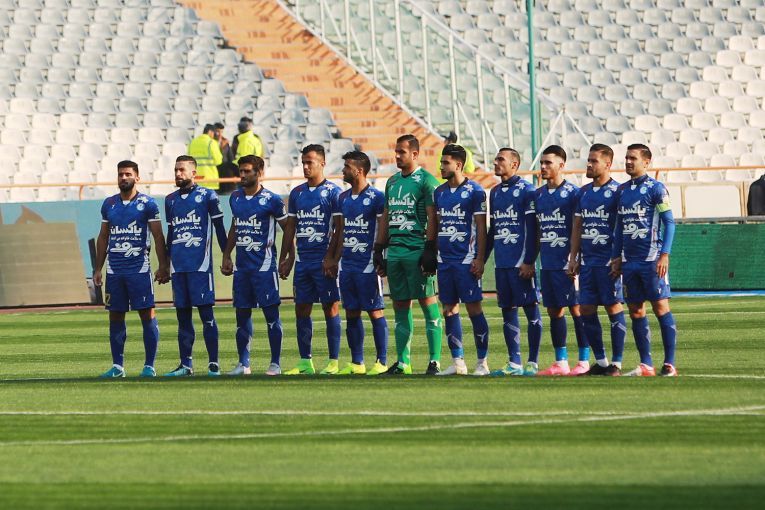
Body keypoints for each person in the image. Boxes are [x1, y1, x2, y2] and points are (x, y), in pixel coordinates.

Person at [374, 134, 443, 375]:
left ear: (415, 154)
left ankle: (435, 361)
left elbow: (432, 216)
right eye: (396, 151)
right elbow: (386, 215)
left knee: (428, 302)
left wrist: (430, 248)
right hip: (395, 252)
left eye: (401, 152)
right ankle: (403, 362)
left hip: (417, 250)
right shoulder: (392, 182)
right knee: (400, 306)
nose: (397, 156)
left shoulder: (427, 181)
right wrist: (378, 248)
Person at [93, 160, 169, 378]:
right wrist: (98, 268)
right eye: (120, 174)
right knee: (115, 317)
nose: (123, 178)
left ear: (137, 177)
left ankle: (149, 366)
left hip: (139, 270)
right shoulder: (109, 204)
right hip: (114, 271)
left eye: (127, 174)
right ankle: (118, 367)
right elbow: (103, 237)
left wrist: (163, 265)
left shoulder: (148, 204)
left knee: (147, 314)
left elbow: (158, 236)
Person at [610, 144, 678, 377]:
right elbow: (619, 228)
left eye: (633, 158)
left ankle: (669, 364)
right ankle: (646, 364)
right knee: (636, 310)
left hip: (652, 259)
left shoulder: (656, 189)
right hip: (629, 261)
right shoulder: (621, 191)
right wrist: (616, 257)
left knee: (661, 307)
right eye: (626, 158)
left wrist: (664, 254)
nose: (628, 162)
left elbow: (669, 222)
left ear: (646, 162)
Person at [221, 155, 291, 376]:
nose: (242, 175)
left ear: (259, 172)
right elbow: (235, 226)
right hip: (242, 268)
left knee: (271, 316)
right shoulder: (235, 198)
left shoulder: (273, 200)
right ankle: (244, 364)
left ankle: (275, 364)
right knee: (242, 316)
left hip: (264, 267)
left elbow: (288, 229)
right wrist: (226, 255)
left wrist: (288, 257)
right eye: (240, 171)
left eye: (247, 171)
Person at [278, 144, 343, 375]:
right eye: (303, 162)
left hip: (323, 260)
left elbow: (339, 229)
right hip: (303, 261)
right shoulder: (297, 193)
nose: (305, 167)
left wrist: (332, 258)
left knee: (330, 307)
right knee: (301, 308)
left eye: (310, 162)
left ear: (322, 163)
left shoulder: (334, 192)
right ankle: (305, 361)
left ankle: (333, 362)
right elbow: (290, 227)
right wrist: (286, 257)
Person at [162, 155, 229, 377]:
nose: (178, 173)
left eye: (182, 170)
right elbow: (171, 233)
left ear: (194, 173)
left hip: (200, 266)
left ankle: (213, 364)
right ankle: (186, 365)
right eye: (176, 170)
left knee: (206, 316)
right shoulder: (170, 200)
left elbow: (219, 228)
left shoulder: (208, 196)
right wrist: (165, 263)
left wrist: (226, 256)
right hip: (178, 267)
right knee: (182, 317)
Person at [567, 144, 627, 376]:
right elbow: (577, 226)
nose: (589, 165)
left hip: (608, 262)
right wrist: (574, 257)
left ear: (607, 164)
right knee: (586, 308)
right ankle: (601, 362)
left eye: (594, 161)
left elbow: (622, 226)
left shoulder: (618, 191)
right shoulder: (583, 193)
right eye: (589, 160)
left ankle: (617, 363)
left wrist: (618, 256)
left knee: (613, 306)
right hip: (588, 262)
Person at [432, 144, 490, 376]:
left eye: (445, 163)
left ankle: (482, 363)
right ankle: (458, 363)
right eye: (441, 162)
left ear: (458, 165)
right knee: (448, 309)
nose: (441, 166)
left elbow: (481, 228)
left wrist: (480, 258)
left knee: (474, 309)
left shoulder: (475, 191)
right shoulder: (439, 192)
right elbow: (437, 225)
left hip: (466, 260)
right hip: (444, 260)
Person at [534, 145, 590, 376]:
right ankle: (561, 361)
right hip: (547, 262)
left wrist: (575, 258)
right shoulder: (538, 195)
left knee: (577, 309)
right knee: (554, 311)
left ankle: (584, 360)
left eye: (548, 163)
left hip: (568, 263)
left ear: (561, 165)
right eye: (542, 163)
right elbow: (537, 230)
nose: (543, 167)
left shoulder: (574, 194)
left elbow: (580, 227)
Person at [487, 147, 543, 376]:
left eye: (501, 159)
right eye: (495, 159)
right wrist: (481, 259)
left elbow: (533, 230)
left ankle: (533, 362)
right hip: (501, 264)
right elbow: (492, 230)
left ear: (514, 164)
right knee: (507, 311)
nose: (495, 162)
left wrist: (529, 261)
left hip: (521, 263)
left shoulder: (527, 191)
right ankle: (514, 362)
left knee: (531, 309)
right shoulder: (494, 192)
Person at [335, 151, 389, 375]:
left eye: (347, 167)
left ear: (359, 170)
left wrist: (381, 256)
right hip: (347, 265)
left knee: (375, 311)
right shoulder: (342, 198)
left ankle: (381, 361)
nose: (343, 170)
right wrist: (334, 258)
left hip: (368, 265)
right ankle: (357, 362)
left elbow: (383, 229)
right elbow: (340, 231)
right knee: (351, 312)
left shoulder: (377, 197)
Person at [187, 124, 223, 190]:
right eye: (214, 133)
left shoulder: (192, 142)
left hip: (195, 179)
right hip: (209, 180)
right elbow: (219, 161)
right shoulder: (212, 142)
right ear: (210, 132)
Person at [214, 121, 239, 195]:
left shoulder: (225, 142)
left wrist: (234, 173)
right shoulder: (210, 143)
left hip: (225, 172)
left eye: (221, 132)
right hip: (215, 171)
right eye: (218, 132)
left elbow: (231, 158)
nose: (220, 134)